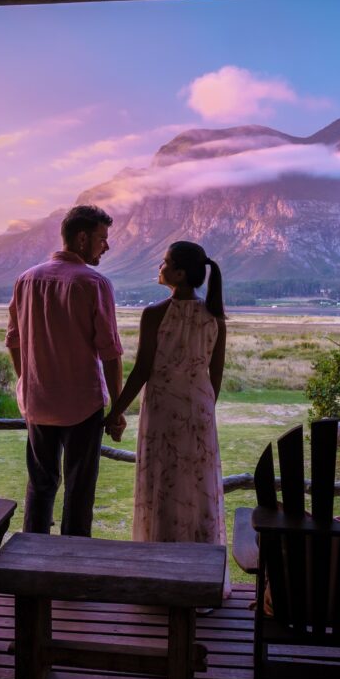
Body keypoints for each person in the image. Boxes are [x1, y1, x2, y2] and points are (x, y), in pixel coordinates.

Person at [104, 241, 230, 595]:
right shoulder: (214, 317)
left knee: (162, 483)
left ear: (180, 273)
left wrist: (116, 410)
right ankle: (200, 575)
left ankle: (158, 571)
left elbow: (142, 369)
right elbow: (214, 375)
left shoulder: (155, 313)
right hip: (199, 410)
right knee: (197, 486)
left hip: (161, 410)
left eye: (165, 262)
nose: (159, 266)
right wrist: (202, 408)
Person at [6, 204, 126, 537]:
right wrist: (117, 409)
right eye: (102, 239)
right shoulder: (94, 283)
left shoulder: (26, 280)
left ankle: (32, 560)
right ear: (83, 238)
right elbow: (111, 354)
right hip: (82, 405)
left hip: (37, 403)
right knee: (79, 489)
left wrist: (26, 382)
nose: (107, 246)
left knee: (40, 485)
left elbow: (14, 342)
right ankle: (72, 562)